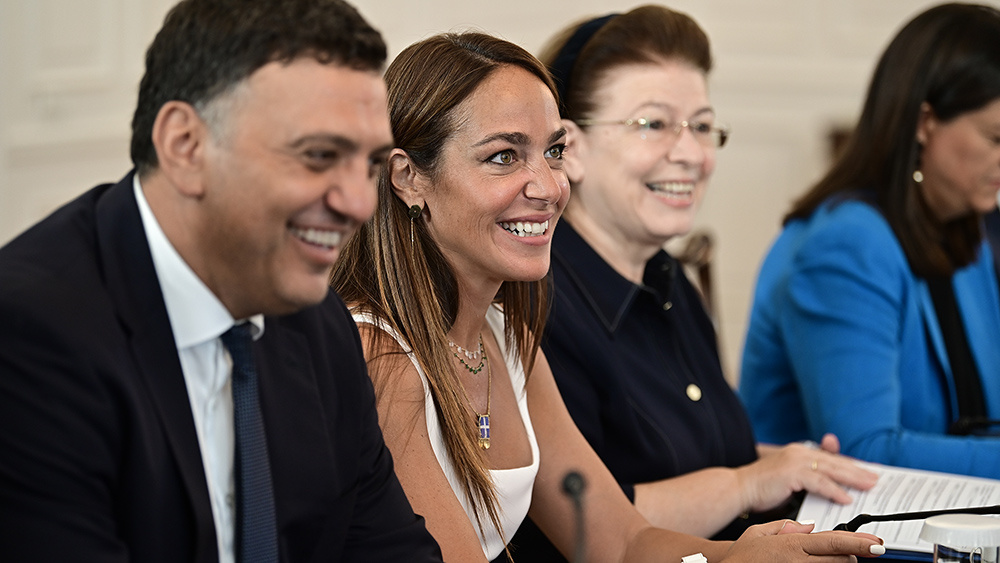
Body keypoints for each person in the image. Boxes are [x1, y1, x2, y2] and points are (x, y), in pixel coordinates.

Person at [330, 30, 885, 563]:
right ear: (408, 177)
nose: (550, 187)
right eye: (503, 156)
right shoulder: (381, 358)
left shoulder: (504, 338)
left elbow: (621, 544)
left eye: (553, 151)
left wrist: (753, 552)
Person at [0, 0, 444, 561]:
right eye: (318, 155)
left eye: (369, 164)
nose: (359, 203)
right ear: (185, 145)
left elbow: (389, 549)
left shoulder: (321, 325)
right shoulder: (31, 334)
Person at [506, 7, 879, 561]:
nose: (691, 154)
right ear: (572, 149)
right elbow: (587, 526)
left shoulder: (669, 278)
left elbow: (704, 453)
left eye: (702, 126)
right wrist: (747, 484)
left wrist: (800, 468)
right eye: (653, 125)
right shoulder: (534, 298)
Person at [739, 2, 1000, 479]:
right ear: (924, 122)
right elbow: (864, 450)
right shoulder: (846, 244)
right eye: (995, 137)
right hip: (820, 518)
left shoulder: (966, 225)